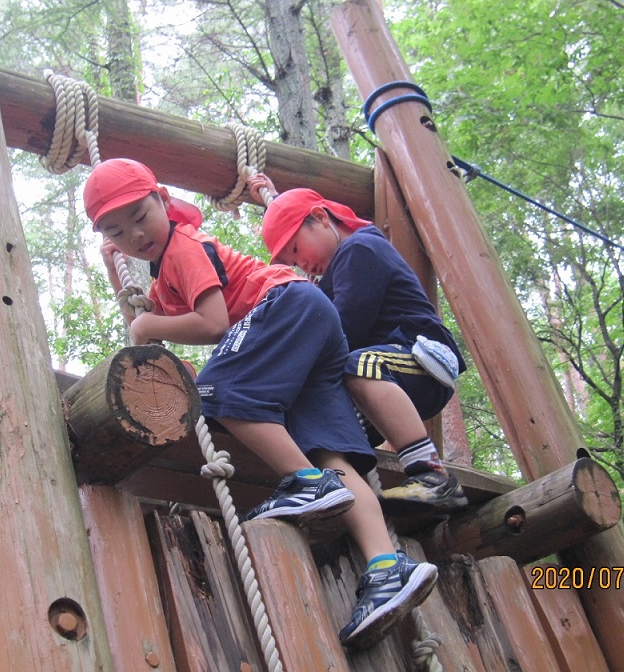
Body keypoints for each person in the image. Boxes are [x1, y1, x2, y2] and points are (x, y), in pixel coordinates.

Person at [83, 158, 437, 648]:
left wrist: (146, 326)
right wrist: (118, 276)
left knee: (215, 391)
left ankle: (306, 483)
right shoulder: (163, 279)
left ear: (164, 201)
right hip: (311, 327)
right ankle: (386, 567)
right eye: (117, 232)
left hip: (285, 305)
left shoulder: (184, 245)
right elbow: (152, 319)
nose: (135, 235)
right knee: (327, 449)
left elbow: (211, 322)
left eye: (141, 217)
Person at [250, 175, 469, 516]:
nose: (299, 264)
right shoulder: (336, 267)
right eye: (292, 261)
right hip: (388, 374)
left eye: (295, 249)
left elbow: (345, 326)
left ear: (321, 218)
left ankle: (433, 475)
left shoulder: (359, 249)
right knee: (322, 405)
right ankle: (339, 477)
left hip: (418, 356)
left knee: (356, 366)